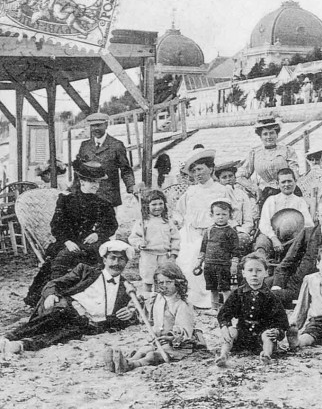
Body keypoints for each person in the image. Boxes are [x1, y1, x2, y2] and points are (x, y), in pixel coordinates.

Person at [2, 241, 138, 354]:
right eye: (113, 258)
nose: (116, 263)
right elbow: (54, 283)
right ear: (104, 260)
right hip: (67, 308)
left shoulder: (126, 287)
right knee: (59, 313)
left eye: (121, 259)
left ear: (126, 263)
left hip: (88, 323)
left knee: (67, 333)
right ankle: (9, 337)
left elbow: (135, 313)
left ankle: (22, 345)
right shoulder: (85, 271)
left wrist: (131, 314)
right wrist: (51, 295)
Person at [24, 160, 118, 306]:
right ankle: (54, 294)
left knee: (100, 259)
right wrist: (67, 241)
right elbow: (56, 225)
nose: (95, 185)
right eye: (91, 181)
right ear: (82, 181)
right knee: (62, 258)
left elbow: (111, 225)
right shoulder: (66, 201)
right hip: (69, 242)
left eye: (97, 182)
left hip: (93, 244)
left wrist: (98, 234)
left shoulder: (104, 204)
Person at [104, 262, 203, 373]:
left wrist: (170, 338)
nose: (164, 286)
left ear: (178, 283)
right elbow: (139, 300)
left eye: (169, 282)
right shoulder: (156, 298)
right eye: (161, 282)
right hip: (158, 341)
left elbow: (185, 331)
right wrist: (132, 309)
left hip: (177, 345)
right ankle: (122, 362)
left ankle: (131, 365)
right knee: (143, 350)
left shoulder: (181, 305)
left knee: (152, 355)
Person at [173, 148, 230, 309]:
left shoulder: (221, 190)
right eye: (194, 170)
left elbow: (229, 214)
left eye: (200, 169)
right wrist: (178, 221)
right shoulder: (191, 191)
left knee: (198, 257)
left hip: (213, 233)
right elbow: (179, 211)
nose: (197, 173)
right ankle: (187, 297)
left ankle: (206, 300)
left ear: (211, 169)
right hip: (190, 232)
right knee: (182, 257)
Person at [216, 254, 289, 366]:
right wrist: (225, 327)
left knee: (267, 335)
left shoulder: (271, 297)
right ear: (243, 273)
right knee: (231, 331)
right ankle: (223, 355)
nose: (254, 274)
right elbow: (224, 314)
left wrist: (277, 331)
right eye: (250, 270)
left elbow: (282, 321)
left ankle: (266, 355)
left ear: (266, 272)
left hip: (262, 338)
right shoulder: (238, 294)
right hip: (242, 336)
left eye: (258, 270)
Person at [75, 112, 135, 208]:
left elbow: (126, 170)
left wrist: (131, 186)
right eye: (93, 126)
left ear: (106, 125)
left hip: (108, 197)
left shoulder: (116, 145)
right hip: (87, 196)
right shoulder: (84, 145)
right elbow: (79, 170)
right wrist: (74, 190)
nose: (95, 129)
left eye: (99, 125)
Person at [238, 117, 301, 207]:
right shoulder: (254, 153)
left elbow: (295, 173)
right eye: (265, 134)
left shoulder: (287, 150)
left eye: (272, 133)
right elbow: (240, 176)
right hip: (266, 194)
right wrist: (255, 189)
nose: (269, 137)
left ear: (277, 134)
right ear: (260, 136)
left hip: (288, 191)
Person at [128, 189, 180, 293]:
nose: (158, 207)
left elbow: (175, 238)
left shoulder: (167, 222)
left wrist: (173, 255)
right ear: (147, 206)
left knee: (161, 279)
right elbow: (133, 238)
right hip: (148, 256)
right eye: (154, 204)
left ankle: (159, 301)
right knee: (148, 280)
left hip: (164, 256)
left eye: (161, 204)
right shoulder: (143, 222)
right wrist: (139, 244)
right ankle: (147, 301)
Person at [254, 168, 313, 259]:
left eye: (289, 181)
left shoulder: (300, 202)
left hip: (295, 238)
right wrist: (274, 238)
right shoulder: (272, 200)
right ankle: (261, 265)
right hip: (273, 236)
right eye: (283, 182)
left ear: (295, 182)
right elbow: (264, 224)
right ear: (278, 184)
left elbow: (308, 224)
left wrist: (298, 238)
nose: (286, 185)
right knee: (262, 242)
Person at [194, 199, 240, 314]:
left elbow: (236, 251)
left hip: (223, 265)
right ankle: (214, 308)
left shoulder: (231, 232)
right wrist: (199, 263)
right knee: (212, 288)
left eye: (224, 214)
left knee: (225, 288)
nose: (221, 217)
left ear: (230, 215)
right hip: (209, 264)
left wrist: (234, 265)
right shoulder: (209, 231)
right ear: (212, 215)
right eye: (217, 214)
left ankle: (228, 310)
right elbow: (203, 248)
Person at [215, 161, 259, 257]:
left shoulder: (241, 194)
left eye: (230, 176)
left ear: (235, 178)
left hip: (240, 231)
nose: (228, 179)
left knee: (242, 240)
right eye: (224, 177)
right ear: (219, 180)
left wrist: (243, 230)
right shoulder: (217, 195)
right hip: (221, 229)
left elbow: (248, 218)